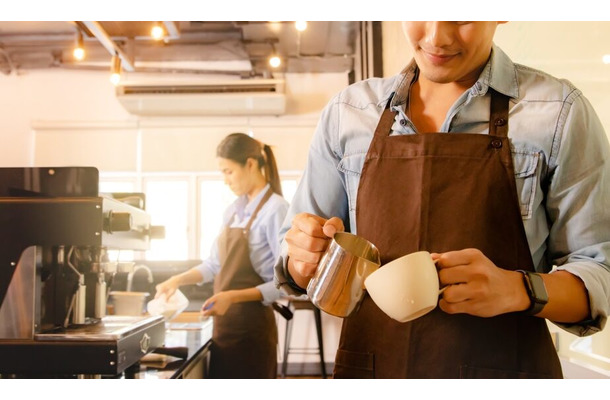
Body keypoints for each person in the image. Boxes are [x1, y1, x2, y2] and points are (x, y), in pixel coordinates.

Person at [274, 21, 610, 378]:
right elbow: (295, 265)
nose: (437, 37)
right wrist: (304, 255)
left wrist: (518, 289)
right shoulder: (348, 111)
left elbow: (600, 270)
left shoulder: (558, 112)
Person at [156, 132, 289, 379]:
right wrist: (176, 280)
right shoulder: (233, 211)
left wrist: (233, 297)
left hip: (252, 332)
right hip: (224, 327)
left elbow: (285, 283)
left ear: (250, 164)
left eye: (228, 171)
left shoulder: (276, 210)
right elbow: (213, 265)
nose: (225, 180)